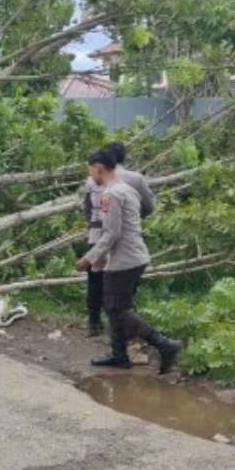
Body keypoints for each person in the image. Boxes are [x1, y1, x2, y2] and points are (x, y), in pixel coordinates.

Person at [75, 149, 179, 373]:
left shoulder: (111, 195)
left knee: (117, 309)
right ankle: (119, 354)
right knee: (116, 307)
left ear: (99, 168)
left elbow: (111, 234)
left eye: (90, 169)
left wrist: (89, 258)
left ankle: (163, 344)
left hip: (124, 259)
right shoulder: (127, 189)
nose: (90, 175)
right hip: (134, 256)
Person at [83, 141, 155, 336]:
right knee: (122, 286)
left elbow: (87, 209)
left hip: (96, 236)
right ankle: (124, 329)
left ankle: (94, 322)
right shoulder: (135, 179)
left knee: (95, 280)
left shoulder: (92, 180)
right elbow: (149, 206)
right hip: (123, 239)